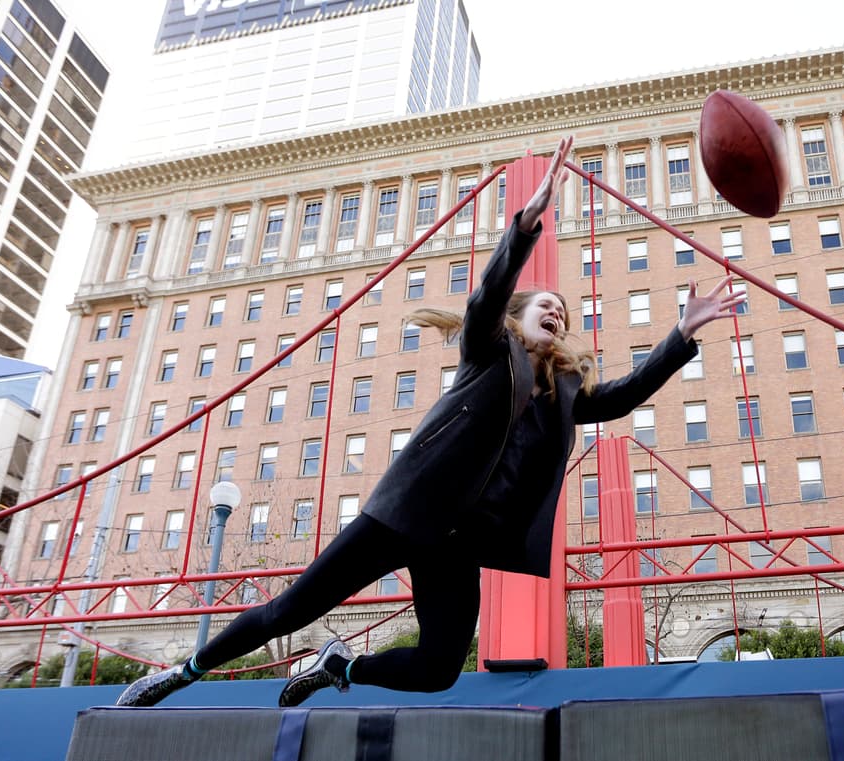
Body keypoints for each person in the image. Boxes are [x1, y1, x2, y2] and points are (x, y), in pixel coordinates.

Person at [116, 136, 745, 708]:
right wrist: (525, 228)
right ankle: (182, 673)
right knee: (288, 611)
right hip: (403, 513)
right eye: (544, 307)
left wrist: (681, 335)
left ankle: (344, 667)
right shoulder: (487, 350)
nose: (556, 314)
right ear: (519, 317)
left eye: (563, 313)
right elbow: (487, 298)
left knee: (440, 667)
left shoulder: (565, 393)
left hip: (456, 541)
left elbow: (623, 396)